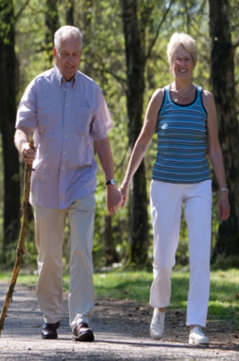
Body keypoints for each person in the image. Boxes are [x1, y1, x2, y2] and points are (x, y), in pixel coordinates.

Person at [120, 32, 230, 345]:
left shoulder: (205, 99)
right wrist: (126, 181)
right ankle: (160, 307)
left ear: (194, 63)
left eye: (187, 58)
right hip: (164, 184)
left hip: (198, 184)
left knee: (199, 255)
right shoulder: (160, 98)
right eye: (177, 58)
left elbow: (215, 148)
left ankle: (196, 325)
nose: (182, 63)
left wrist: (223, 190)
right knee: (164, 256)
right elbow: (143, 141)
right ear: (170, 63)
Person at [14, 25, 121, 342]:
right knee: (48, 257)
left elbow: (102, 140)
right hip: (45, 183)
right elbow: (21, 128)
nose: (71, 61)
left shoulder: (92, 90)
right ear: (55, 53)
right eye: (65, 55)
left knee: (81, 252)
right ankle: (50, 316)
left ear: (80, 54)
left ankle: (80, 318)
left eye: (76, 55)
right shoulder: (38, 87)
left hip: (81, 182)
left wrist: (112, 181)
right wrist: (23, 147)